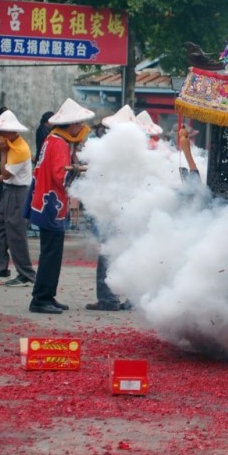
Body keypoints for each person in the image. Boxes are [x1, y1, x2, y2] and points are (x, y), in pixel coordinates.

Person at [27, 98, 94, 314]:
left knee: (51, 253)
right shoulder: (58, 143)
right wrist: (79, 170)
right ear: (72, 125)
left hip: (48, 203)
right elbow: (61, 176)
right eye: (80, 123)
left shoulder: (53, 139)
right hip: (51, 205)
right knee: (51, 254)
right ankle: (41, 298)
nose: (82, 127)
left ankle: (47, 295)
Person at [84, 105, 137, 312]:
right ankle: (132, 300)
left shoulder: (117, 151)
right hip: (131, 209)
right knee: (130, 253)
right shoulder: (135, 149)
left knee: (108, 253)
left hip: (117, 210)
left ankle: (108, 299)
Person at [0, 110, 37, 287]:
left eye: (1, 132)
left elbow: (6, 172)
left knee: (16, 234)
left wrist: (2, 153)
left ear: (11, 133)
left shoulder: (19, 149)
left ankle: (26, 273)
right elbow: (9, 174)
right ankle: (0, 269)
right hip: (10, 189)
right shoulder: (13, 145)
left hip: (19, 193)